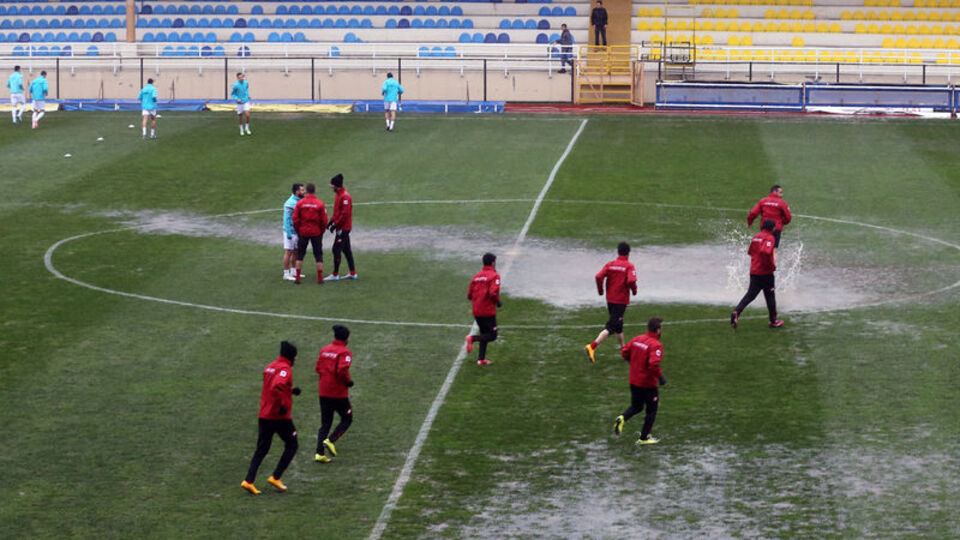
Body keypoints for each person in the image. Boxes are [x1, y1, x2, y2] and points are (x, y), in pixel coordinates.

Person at [242, 341, 302, 495]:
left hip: (264, 414)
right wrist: (283, 403)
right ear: (290, 357)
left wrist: (290, 390)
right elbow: (277, 386)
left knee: (261, 449)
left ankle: (248, 481)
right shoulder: (285, 369)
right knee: (292, 444)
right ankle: (276, 477)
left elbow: (272, 386)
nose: (296, 360)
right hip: (279, 416)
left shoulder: (270, 366)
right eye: (295, 357)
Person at [612, 317, 666, 446]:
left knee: (636, 406)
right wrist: (660, 377)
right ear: (658, 330)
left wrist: (635, 364)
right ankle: (644, 437)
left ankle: (622, 418)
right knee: (651, 411)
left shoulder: (637, 339)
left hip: (634, 380)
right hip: (648, 384)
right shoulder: (656, 345)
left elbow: (624, 353)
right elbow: (653, 365)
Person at [585, 242, 638, 364]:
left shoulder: (610, 264)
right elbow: (631, 280)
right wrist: (634, 291)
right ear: (628, 253)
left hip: (610, 299)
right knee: (612, 326)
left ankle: (623, 350)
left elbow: (599, 277)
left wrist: (600, 290)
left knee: (618, 324)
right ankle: (592, 346)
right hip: (621, 300)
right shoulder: (629, 266)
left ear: (618, 251)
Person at [731, 219, 785, 329]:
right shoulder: (770, 238)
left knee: (750, 295)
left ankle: (737, 312)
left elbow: (750, 252)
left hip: (754, 271)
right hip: (766, 273)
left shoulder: (756, 236)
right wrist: (771, 265)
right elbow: (765, 252)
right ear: (771, 228)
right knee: (770, 296)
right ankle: (773, 321)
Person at [314, 325, 355, 464]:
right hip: (338, 393)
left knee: (325, 422)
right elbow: (342, 370)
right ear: (346, 338)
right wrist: (348, 382)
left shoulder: (324, 350)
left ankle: (319, 453)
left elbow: (318, 368)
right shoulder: (345, 352)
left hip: (323, 391)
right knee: (347, 418)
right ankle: (330, 440)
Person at [465, 252, 501, 367]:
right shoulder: (494, 276)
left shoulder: (476, 276)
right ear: (492, 263)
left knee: (484, 333)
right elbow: (493, 293)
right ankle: (472, 338)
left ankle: (481, 359)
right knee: (492, 335)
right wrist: (498, 301)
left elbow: (469, 295)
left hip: (477, 310)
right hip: (487, 311)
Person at [292, 183, 328, 285]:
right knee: (318, 255)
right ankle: (320, 278)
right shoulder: (320, 204)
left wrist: (298, 230)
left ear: (306, 191)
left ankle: (297, 278)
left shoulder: (300, 203)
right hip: (316, 232)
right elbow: (324, 220)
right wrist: (321, 231)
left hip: (303, 232)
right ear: (314, 191)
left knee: (300, 255)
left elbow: (295, 219)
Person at [324, 173, 357, 281]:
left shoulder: (345, 197)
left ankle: (335, 274)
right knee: (347, 250)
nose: (331, 186)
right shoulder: (339, 195)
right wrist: (331, 222)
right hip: (341, 227)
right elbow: (337, 212)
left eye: (332, 185)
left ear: (336, 185)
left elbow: (344, 214)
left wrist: (335, 225)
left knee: (336, 249)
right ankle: (352, 273)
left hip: (344, 228)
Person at [747, 184, 792, 253]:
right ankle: (772, 263)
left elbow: (753, 213)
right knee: (774, 249)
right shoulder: (782, 203)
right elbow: (788, 218)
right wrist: (782, 222)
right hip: (776, 229)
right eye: (780, 192)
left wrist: (749, 222)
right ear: (774, 192)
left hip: (764, 228)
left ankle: (760, 262)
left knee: (763, 246)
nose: (782, 195)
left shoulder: (763, 201)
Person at [282, 183, 304, 281]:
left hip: (297, 231)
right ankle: (286, 274)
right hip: (290, 232)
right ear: (297, 192)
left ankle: (294, 271)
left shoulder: (299, 201)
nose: (303, 192)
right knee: (288, 252)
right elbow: (286, 219)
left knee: (296, 252)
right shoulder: (290, 203)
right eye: (302, 190)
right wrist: (289, 233)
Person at [231, 72, 252, 136]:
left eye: (242, 77)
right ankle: (241, 129)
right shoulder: (235, 85)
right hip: (239, 102)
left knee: (247, 115)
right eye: (239, 77)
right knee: (240, 116)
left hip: (245, 101)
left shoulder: (246, 83)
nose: (241, 78)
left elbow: (246, 89)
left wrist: (248, 95)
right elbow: (233, 94)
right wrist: (237, 98)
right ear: (237, 78)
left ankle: (247, 128)